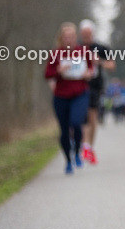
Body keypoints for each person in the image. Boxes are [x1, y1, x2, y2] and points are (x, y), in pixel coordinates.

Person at [44, 22, 95, 174]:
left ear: (75, 37)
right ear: (61, 38)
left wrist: (88, 74)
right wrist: (59, 70)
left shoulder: (84, 51)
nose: (69, 40)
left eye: (72, 36)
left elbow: (91, 69)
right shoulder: (56, 54)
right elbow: (47, 74)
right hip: (61, 96)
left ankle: (78, 151)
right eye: (66, 37)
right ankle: (68, 160)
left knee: (76, 122)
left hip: (80, 93)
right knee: (64, 130)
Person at [79, 19, 115, 164]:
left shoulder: (101, 48)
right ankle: (84, 146)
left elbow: (112, 66)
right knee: (81, 117)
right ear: (81, 33)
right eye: (84, 33)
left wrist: (99, 61)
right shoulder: (76, 48)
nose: (87, 36)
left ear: (92, 33)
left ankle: (89, 147)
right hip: (78, 86)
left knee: (92, 116)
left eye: (89, 33)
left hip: (95, 86)